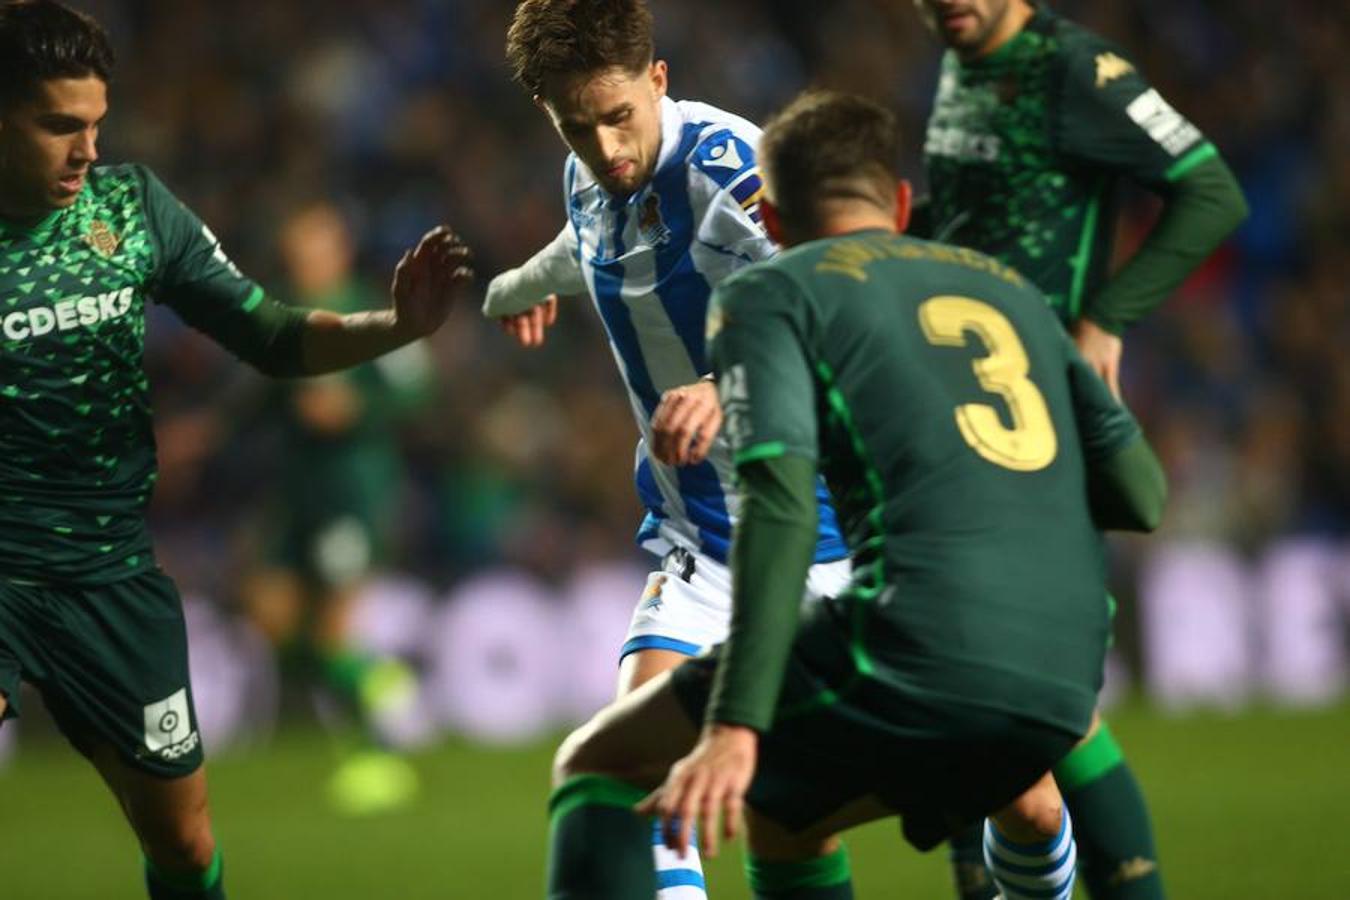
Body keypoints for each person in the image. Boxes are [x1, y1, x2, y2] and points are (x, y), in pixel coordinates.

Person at [542, 89, 1168, 900]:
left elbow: (782, 506)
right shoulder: (1001, 290)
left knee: (608, 762)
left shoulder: (774, 294)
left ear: (767, 216)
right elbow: (1142, 496)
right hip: (1071, 633)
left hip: (909, 617)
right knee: (1031, 801)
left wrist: (734, 725)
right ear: (902, 203)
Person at [0, 2, 472, 898]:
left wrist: (396, 326)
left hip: (110, 573)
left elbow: (270, 336)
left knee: (182, 843)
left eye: (95, 124)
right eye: (59, 126)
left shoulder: (130, 209)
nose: (86, 150)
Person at [488, 3, 851, 895]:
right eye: (579, 127)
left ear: (659, 79)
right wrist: (514, 288)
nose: (607, 147)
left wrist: (723, 387)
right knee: (634, 781)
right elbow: (591, 245)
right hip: (705, 547)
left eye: (620, 117)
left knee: (998, 800)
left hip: (832, 532)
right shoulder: (590, 175)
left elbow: (839, 311)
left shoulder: (736, 174)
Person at [909, 2, 1247, 896]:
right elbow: (977, 216)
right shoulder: (962, 60)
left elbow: (1211, 189)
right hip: (952, 417)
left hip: (1031, 431)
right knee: (974, 693)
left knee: (1035, 702)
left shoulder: (1076, 70)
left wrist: (1106, 320)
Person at [242, 201, 434, 816]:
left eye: (316, 248)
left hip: (353, 489)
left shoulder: (370, 310)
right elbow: (262, 395)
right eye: (297, 251)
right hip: (295, 490)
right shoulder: (281, 315)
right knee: (270, 617)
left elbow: (415, 389)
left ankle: (376, 758)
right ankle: (377, 681)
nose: (306, 261)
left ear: (340, 250)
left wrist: (357, 409)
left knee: (331, 630)